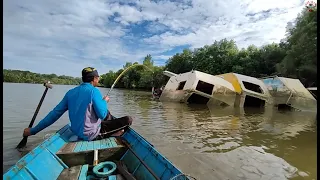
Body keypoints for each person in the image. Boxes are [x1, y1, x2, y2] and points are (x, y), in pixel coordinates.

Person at [22, 67, 133, 141]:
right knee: (128, 120)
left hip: (76, 131)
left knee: (108, 113)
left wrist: (33, 131)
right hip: (91, 135)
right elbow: (102, 115)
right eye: (98, 77)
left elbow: (54, 114)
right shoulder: (94, 91)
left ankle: (112, 128)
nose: (98, 79)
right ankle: (114, 133)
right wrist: (105, 101)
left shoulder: (70, 93)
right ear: (94, 79)